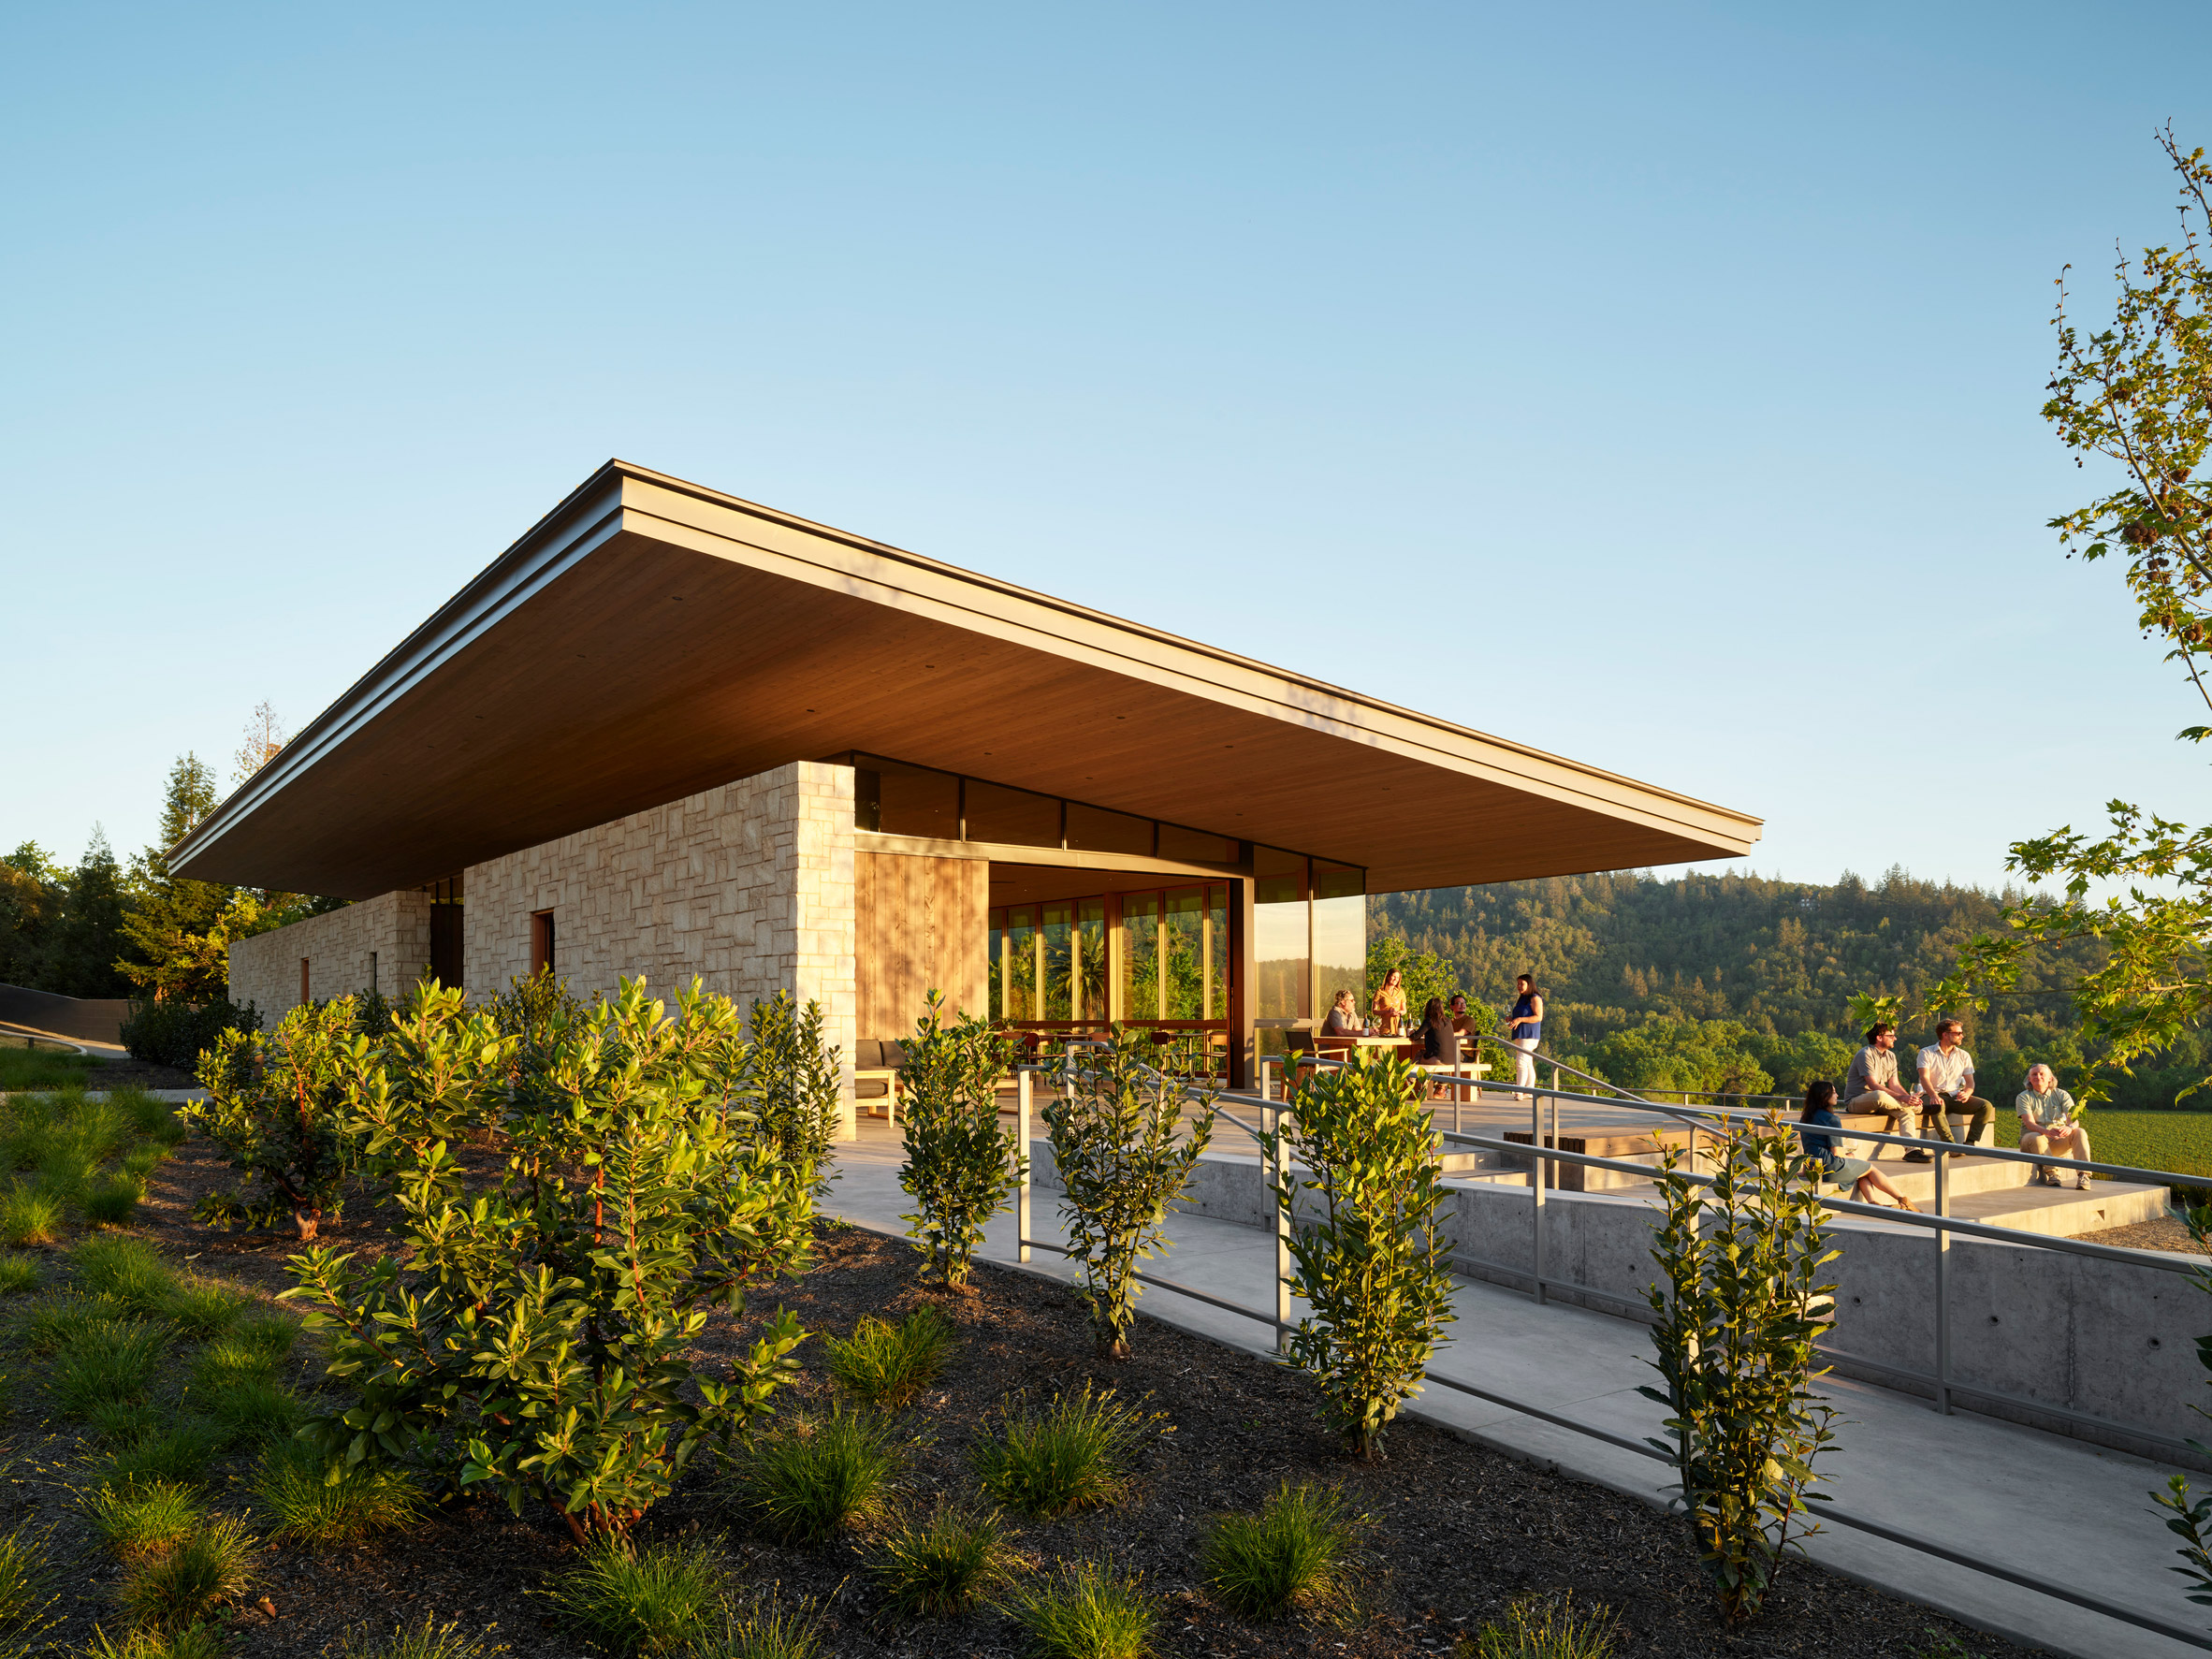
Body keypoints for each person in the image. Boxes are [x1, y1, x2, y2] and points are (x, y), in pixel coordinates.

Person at [1798, 1080, 1917, 1211]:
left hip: (1814, 1168)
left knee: (1857, 1163)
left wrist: (1804, 1171)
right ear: (1824, 1097)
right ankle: (1903, 1200)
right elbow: (1836, 1153)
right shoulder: (1831, 1119)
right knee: (1870, 1168)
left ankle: (1873, 1202)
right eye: (1834, 1092)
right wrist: (1848, 1156)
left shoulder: (1806, 1117)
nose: (1837, 1095)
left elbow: (1808, 1147)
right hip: (1829, 1169)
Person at [1846, 1021, 1928, 1162]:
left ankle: (1912, 1150)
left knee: (1906, 1112)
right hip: (1858, 1101)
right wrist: (1904, 1099)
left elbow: (1894, 1084)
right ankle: (1915, 1107)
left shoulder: (1891, 1056)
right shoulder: (1865, 1054)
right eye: (1891, 1036)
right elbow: (1873, 1085)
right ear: (1879, 1037)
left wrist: (1909, 1098)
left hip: (1883, 1103)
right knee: (1880, 1094)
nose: (1894, 1038)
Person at [1916, 1019, 1995, 1149]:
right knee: (1937, 1105)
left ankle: (1970, 1143)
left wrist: (1967, 1093)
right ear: (1945, 1035)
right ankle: (1950, 1146)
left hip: (1954, 1096)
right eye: (1958, 1033)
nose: (1962, 1036)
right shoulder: (1926, 1053)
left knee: (1986, 1106)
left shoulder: (1964, 1055)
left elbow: (1970, 1083)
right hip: (1930, 1095)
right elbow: (1924, 1078)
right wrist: (1933, 1095)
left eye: (1961, 1033)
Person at [2017, 1062, 2093, 1189]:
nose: (2038, 1077)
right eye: (2034, 1074)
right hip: (2031, 1143)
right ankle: (2053, 1174)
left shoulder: (2061, 1095)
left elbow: (2074, 1120)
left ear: (2050, 1078)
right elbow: (2029, 1123)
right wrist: (2046, 1132)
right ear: (2029, 1079)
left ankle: (2084, 1175)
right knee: (2036, 1137)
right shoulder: (2023, 1097)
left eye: (2042, 1074)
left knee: (2079, 1131)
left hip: (2057, 1141)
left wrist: (2069, 1128)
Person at [1505, 974, 1543, 1093]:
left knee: (1521, 1062)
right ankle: (1529, 1091)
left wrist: (1520, 1019)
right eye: (1518, 984)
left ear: (1529, 984)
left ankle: (1519, 1092)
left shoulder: (1535, 998)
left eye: (1522, 984)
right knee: (1527, 1063)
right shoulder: (1522, 999)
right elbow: (1521, 1016)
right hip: (1520, 1034)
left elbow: (1538, 1017)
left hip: (1529, 1035)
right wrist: (1512, 1019)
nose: (1519, 986)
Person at [1415, 997, 1458, 1067]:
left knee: (1419, 1055)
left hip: (1438, 1060)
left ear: (1428, 1008)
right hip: (1453, 1060)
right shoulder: (1448, 1021)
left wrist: (1411, 1033)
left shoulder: (1430, 1021)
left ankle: (1411, 1077)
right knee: (1427, 1053)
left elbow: (1415, 1036)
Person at [1371, 968, 1408, 1036]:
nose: (1395, 979)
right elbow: (1374, 1010)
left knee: (1401, 1045)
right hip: (1385, 1027)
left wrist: (1399, 1012)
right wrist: (1387, 1011)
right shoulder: (1380, 991)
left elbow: (1404, 1010)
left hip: (1398, 1027)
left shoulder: (1401, 992)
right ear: (1388, 977)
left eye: (1397, 977)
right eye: (1394, 976)